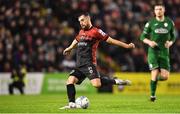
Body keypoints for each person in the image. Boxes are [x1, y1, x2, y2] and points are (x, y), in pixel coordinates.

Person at [60, 12, 135, 109]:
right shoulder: (81, 32)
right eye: (79, 21)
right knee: (70, 81)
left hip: (89, 63)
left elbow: (111, 40)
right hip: (79, 65)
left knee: (96, 84)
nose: (81, 23)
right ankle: (72, 104)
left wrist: (127, 46)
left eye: (82, 20)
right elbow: (76, 40)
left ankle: (117, 81)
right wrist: (70, 48)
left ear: (88, 19)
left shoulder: (96, 31)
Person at [140, 4, 176, 102]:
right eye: (156, 9)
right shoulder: (151, 23)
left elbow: (173, 36)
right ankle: (152, 96)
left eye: (160, 9)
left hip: (164, 52)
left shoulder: (169, 22)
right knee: (155, 72)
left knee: (165, 77)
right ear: (154, 11)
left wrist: (170, 42)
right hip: (153, 52)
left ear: (164, 10)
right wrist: (149, 42)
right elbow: (142, 37)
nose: (158, 11)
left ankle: (153, 81)